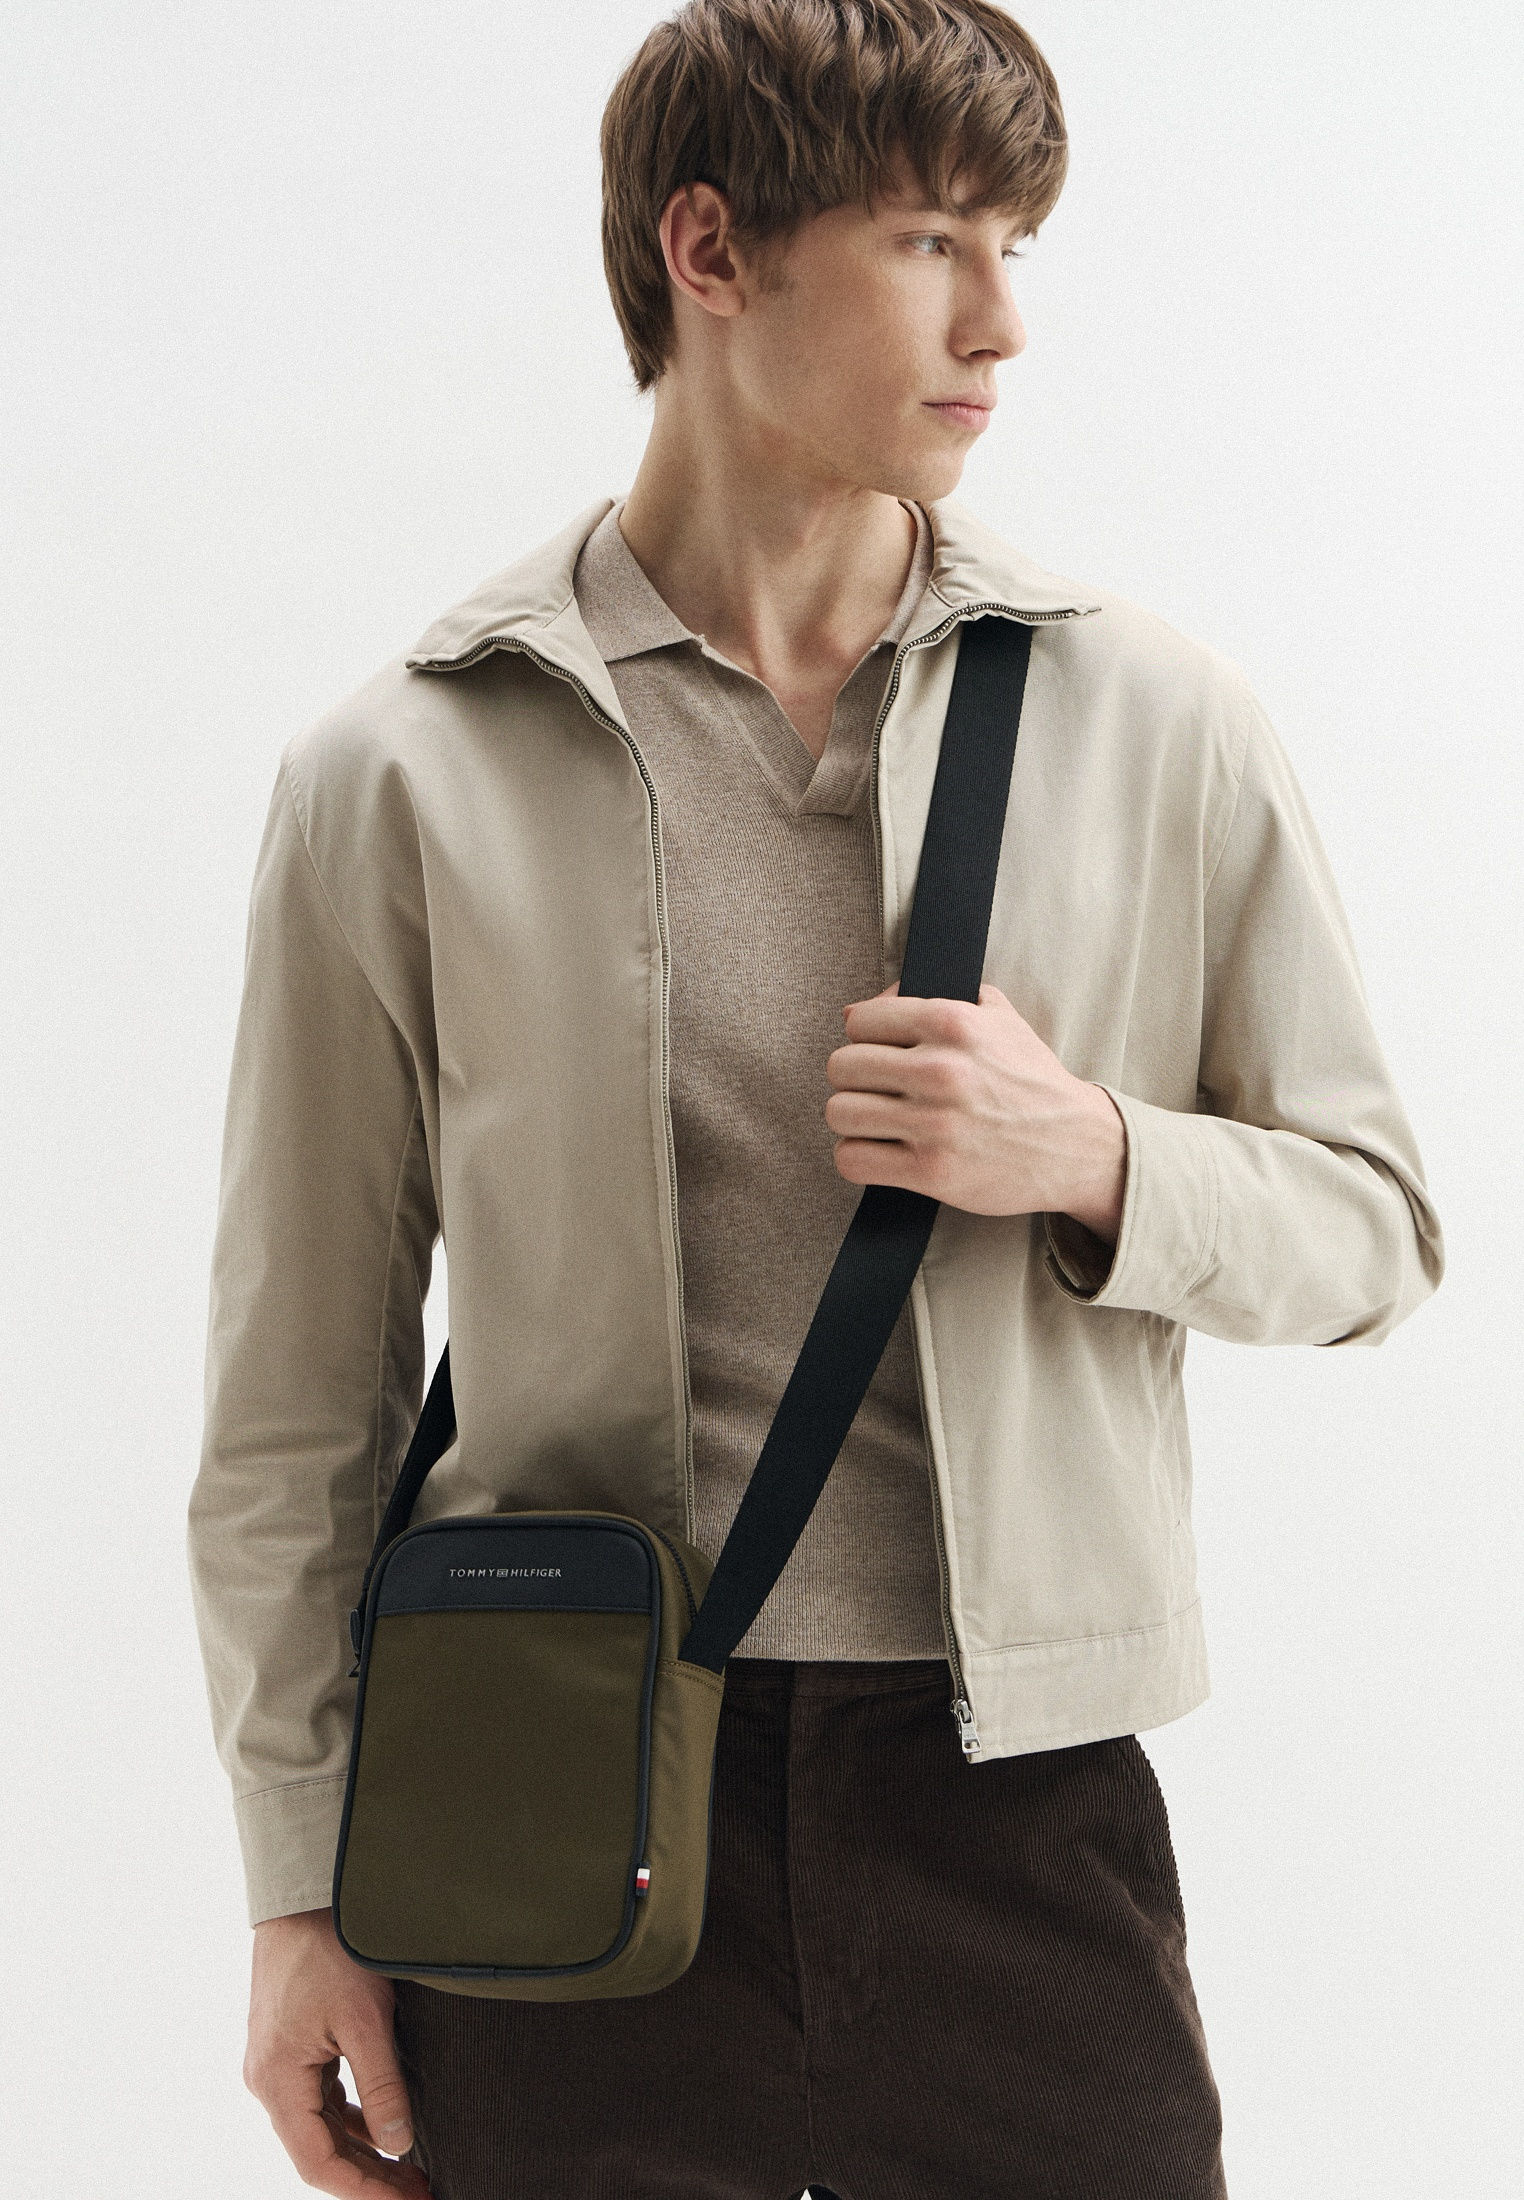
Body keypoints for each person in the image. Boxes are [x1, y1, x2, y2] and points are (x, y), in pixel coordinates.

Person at [186, 3, 1445, 2194]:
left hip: (1013, 1796)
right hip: (552, 1789)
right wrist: (300, 1893)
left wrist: (1095, 1154)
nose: (1002, 322)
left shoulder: (1154, 717)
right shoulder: (401, 769)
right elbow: (297, 1408)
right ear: (711, 249)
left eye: (1016, 247)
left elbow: (1374, 1226)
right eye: (934, 240)